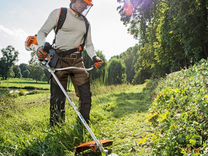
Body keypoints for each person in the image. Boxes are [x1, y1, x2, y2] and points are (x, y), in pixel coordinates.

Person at [36, 0, 103, 127]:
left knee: (85, 94)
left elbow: (89, 44)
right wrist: (41, 46)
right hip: (59, 59)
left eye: (86, 5)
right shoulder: (60, 13)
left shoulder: (86, 23)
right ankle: (57, 127)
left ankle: (83, 125)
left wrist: (95, 57)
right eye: (82, 2)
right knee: (58, 97)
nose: (84, 6)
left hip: (77, 60)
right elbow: (42, 32)